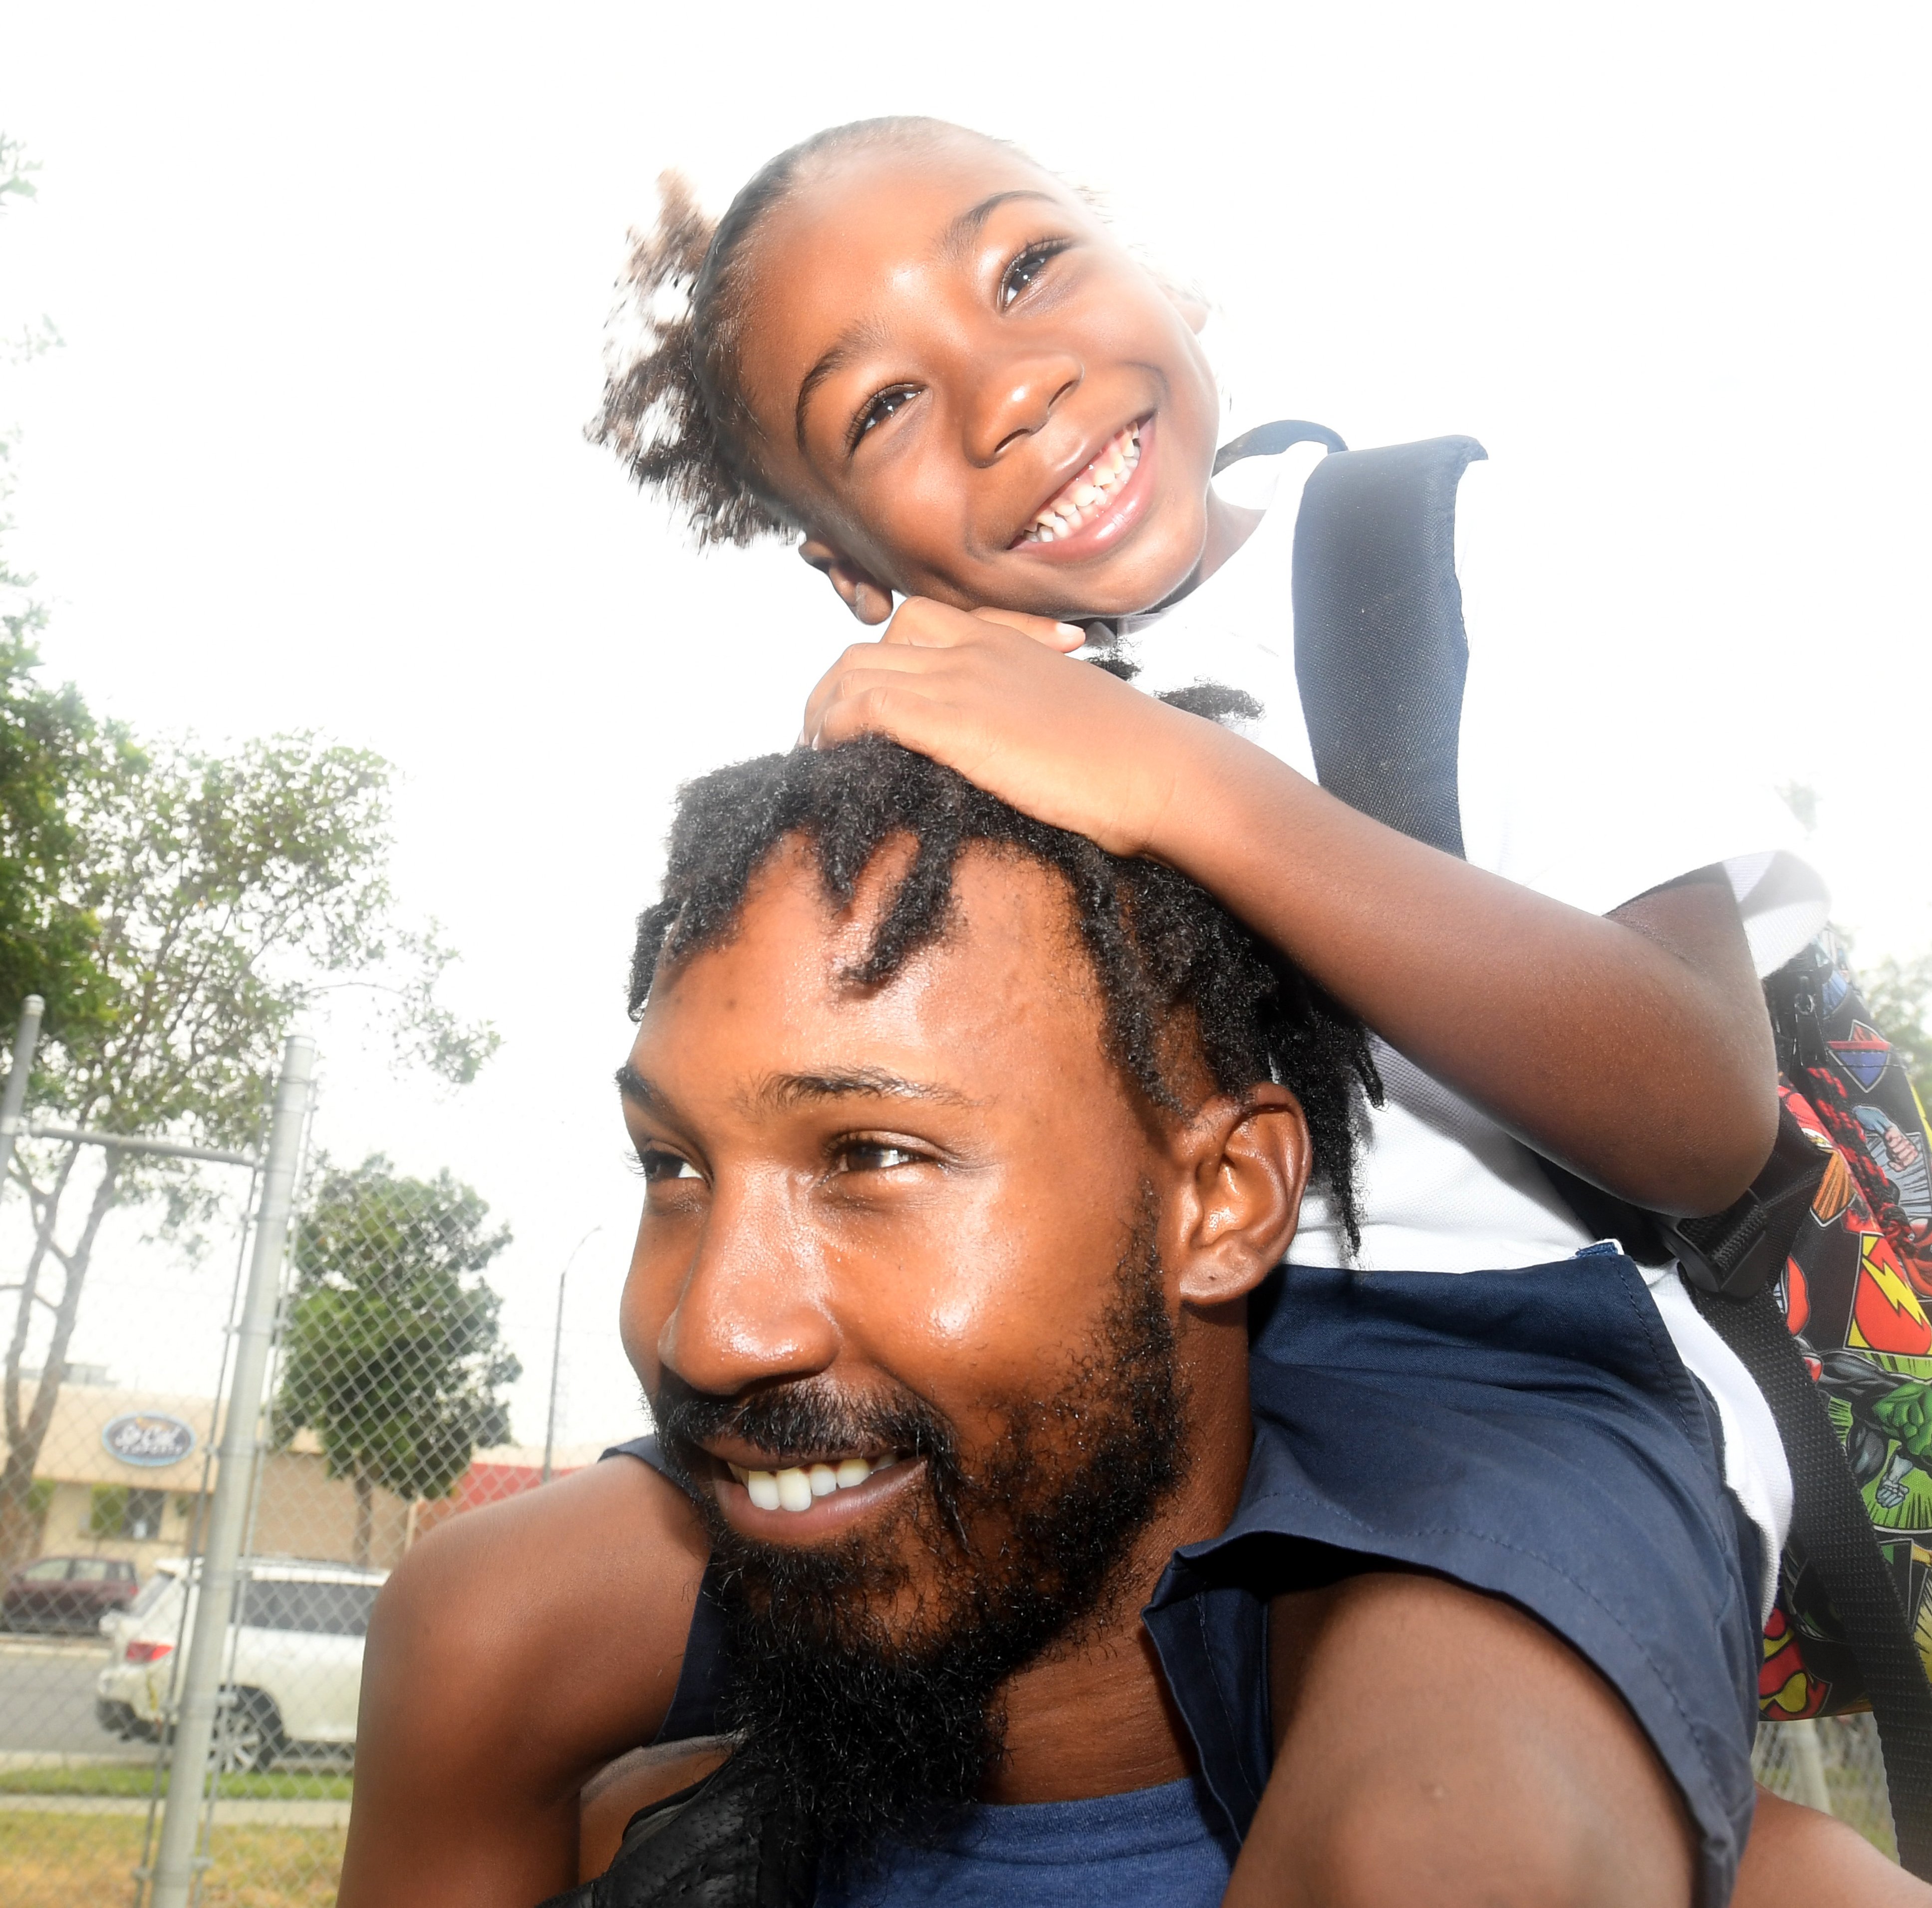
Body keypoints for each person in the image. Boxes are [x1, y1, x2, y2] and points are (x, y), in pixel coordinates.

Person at [575, 114, 1849, 1894]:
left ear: (1144, 263)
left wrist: (1183, 783)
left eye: (1026, 268)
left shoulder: (1429, 543)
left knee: (1439, 1843)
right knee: (486, 1629)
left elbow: (1701, 1109)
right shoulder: (953, 726)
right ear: (852, 564)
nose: (1009, 392)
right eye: (880, 408)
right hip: (1102, 1376)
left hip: (1507, 1377)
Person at [342, 740, 1932, 1908]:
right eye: (673, 1166)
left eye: (875, 1157)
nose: (712, 1328)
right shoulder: (624, 1855)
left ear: (1227, 1200)